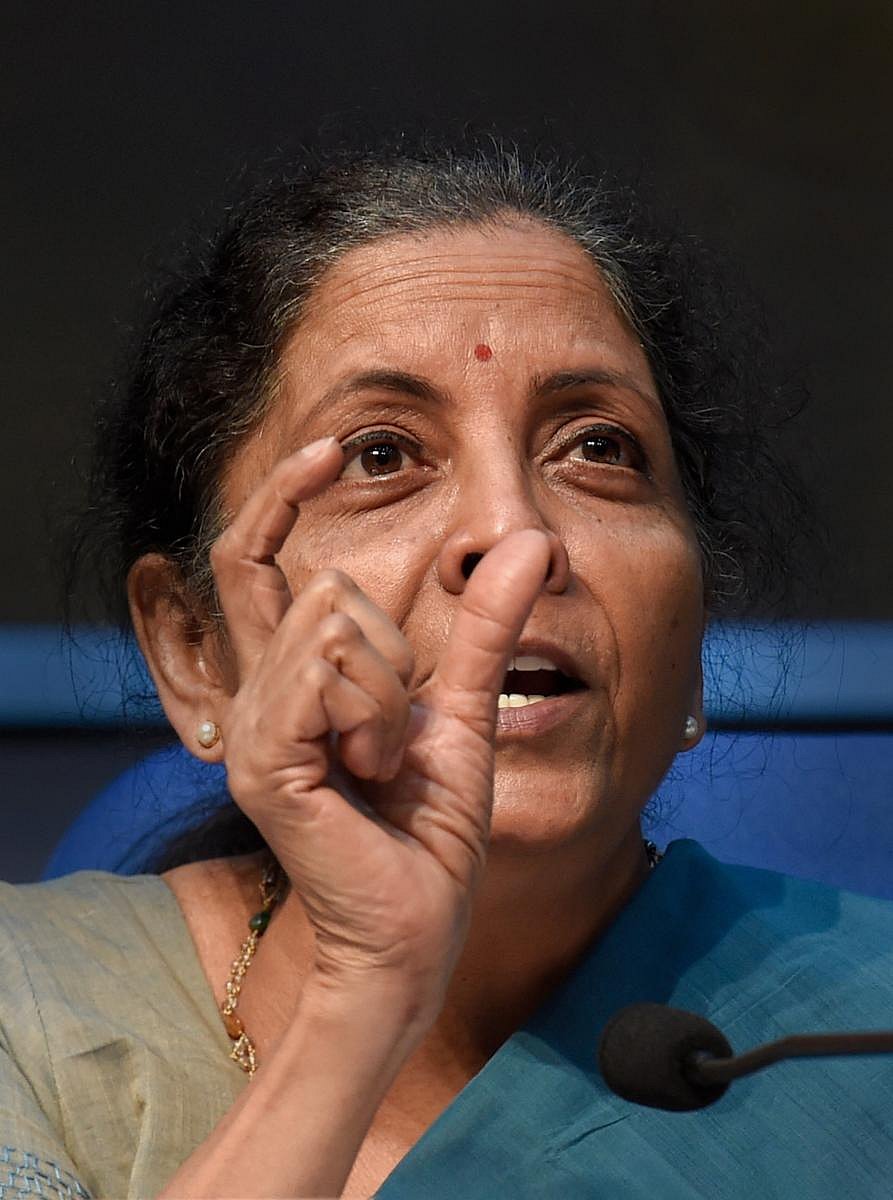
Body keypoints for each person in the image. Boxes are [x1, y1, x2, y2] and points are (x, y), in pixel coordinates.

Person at [1, 142, 890, 1200]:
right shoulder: (27, 1009)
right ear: (198, 653)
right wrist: (362, 990)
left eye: (596, 448)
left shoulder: (856, 1037)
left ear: (696, 643)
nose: (514, 537)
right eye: (380, 455)